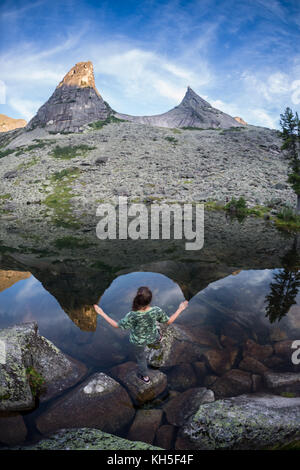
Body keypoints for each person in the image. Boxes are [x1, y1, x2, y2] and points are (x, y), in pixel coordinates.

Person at [94, 286, 188, 384]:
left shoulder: (132, 315)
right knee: (156, 334)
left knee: (141, 358)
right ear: (150, 300)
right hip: (152, 335)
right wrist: (180, 309)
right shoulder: (156, 310)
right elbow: (168, 321)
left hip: (138, 341)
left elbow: (117, 325)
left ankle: (145, 377)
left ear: (136, 299)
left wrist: (102, 313)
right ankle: (159, 338)